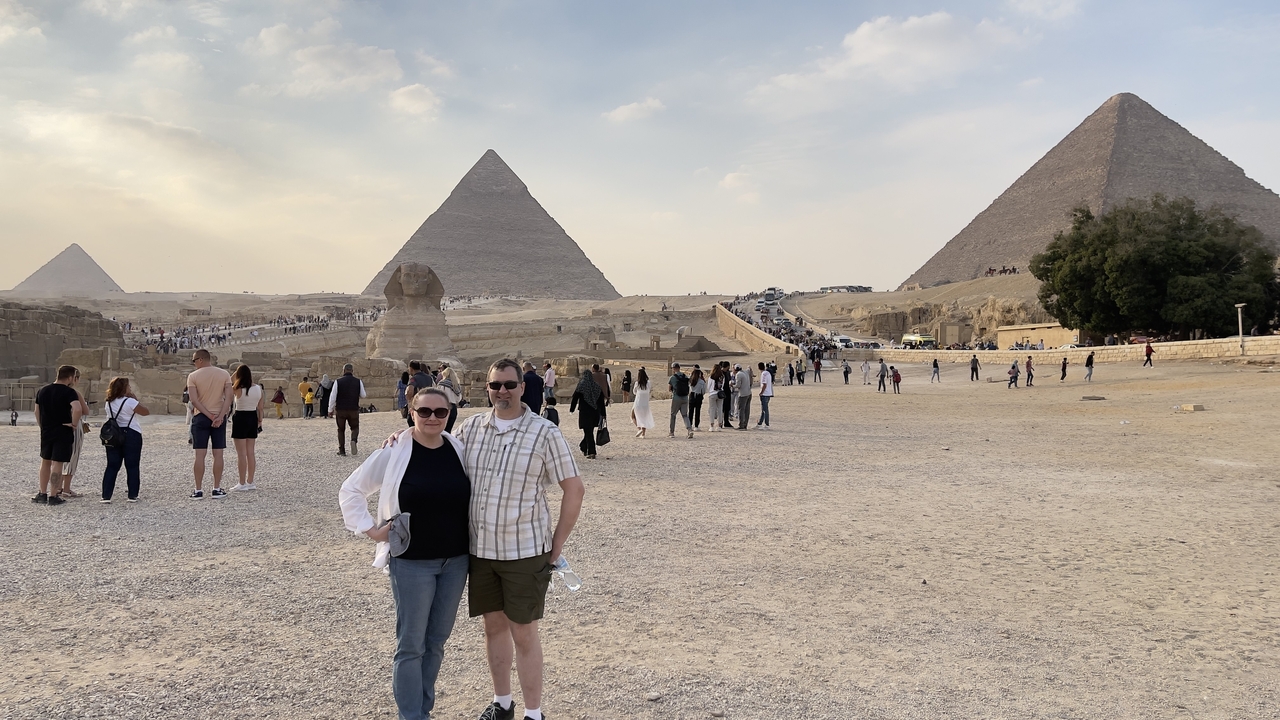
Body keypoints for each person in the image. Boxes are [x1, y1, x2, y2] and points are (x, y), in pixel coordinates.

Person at [454, 359, 584, 720]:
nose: (502, 391)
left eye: (509, 385)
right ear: (487, 388)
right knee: (492, 628)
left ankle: (534, 712)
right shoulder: (471, 429)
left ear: (523, 387)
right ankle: (503, 703)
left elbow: (574, 489)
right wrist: (402, 438)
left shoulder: (544, 433)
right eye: (495, 385)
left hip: (525, 551)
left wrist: (556, 546)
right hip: (481, 550)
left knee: (524, 633)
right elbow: (434, 452)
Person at [339, 387, 470, 720]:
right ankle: (411, 716)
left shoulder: (457, 447)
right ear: (411, 412)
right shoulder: (395, 450)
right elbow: (351, 489)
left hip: (455, 562)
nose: (432, 418)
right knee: (411, 644)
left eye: (440, 412)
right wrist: (370, 529)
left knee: (437, 641)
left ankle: (422, 710)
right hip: (412, 562)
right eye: (424, 411)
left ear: (449, 415)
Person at [32, 365, 83, 505]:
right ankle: (53, 496)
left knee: (45, 461)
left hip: (47, 430)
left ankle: (42, 493)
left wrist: (42, 426)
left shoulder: (42, 390)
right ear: (70, 377)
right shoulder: (69, 392)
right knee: (58, 463)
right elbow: (77, 409)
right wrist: (73, 424)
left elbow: (36, 411)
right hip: (62, 430)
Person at [188, 349, 233, 499]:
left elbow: (194, 400)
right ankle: (216, 488)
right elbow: (228, 398)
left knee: (199, 455)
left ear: (200, 360)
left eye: (194, 361)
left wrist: (208, 415)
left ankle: (198, 489)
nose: (193, 364)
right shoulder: (224, 374)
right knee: (218, 454)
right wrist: (219, 416)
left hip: (201, 416)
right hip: (219, 417)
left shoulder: (193, 376)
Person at [100, 376, 148, 503]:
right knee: (132, 465)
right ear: (124, 388)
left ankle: (106, 495)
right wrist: (134, 398)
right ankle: (132, 495)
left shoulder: (108, 403)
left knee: (112, 465)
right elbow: (145, 412)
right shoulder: (130, 402)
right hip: (131, 433)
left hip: (114, 434)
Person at [230, 364, 264, 492]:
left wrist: (236, 372)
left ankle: (242, 482)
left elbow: (228, 381)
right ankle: (250, 481)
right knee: (250, 452)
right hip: (252, 417)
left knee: (241, 454)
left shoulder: (238, 388)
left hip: (241, 417)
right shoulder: (258, 388)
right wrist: (260, 421)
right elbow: (260, 408)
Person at [59, 370, 91, 499]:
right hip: (74, 425)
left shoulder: (53, 391)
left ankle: (57, 488)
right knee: (72, 458)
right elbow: (85, 410)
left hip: (58, 426)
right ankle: (66, 489)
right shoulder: (74, 393)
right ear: (74, 379)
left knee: (58, 459)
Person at [331, 363, 367, 456]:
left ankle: (342, 450)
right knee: (355, 427)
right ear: (352, 371)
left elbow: (333, 397)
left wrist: (329, 409)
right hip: (353, 409)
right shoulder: (358, 381)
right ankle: (353, 440)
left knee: (341, 429)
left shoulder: (338, 381)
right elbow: (363, 395)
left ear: (343, 371)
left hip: (341, 409)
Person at [569, 369, 604, 459]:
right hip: (595, 412)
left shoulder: (581, 385)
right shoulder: (597, 386)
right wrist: (603, 413)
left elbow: (575, 398)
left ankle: (592, 451)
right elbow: (601, 401)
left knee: (588, 432)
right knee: (589, 431)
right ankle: (584, 447)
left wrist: (572, 409)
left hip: (585, 412)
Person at [668, 363, 693, 439]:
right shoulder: (685, 376)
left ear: (674, 369)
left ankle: (671, 432)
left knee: (673, 415)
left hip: (676, 398)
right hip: (685, 398)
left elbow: (669, 389)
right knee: (685, 415)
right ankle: (689, 430)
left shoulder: (672, 378)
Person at [631, 368, 654, 438]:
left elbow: (634, 392)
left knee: (633, 416)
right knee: (644, 418)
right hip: (645, 403)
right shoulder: (648, 383)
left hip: (638, 403)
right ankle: (643, 434)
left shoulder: (637, 383)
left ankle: (639, 429)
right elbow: (649, 390)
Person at [705, 366, 724, 431]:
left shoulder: (711, 377)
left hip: (712, 394)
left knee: (712, 410)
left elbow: (708, 387)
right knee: (720, 409)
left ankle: (711, 425)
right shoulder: (722, 377)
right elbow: (722, 386)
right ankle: (719, 425)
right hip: (720, 394)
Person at [734, 363, 752, 431]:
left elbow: (738, 385)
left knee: (741, 410)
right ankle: (745, 424)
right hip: (749, 393)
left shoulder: (738, 374)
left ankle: (741, 425)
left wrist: (732, 385)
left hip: (743, 394)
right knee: (747, 410)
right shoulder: (745, 372)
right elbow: (749, 369)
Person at [756, 362, 773, 429]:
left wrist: (761, 392)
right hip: (768, 393)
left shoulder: (763, 374)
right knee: (763, 409)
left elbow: (764, 384)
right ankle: (760, 423)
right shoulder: (768, 373)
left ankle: (767, 424)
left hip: (765, 394)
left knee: (765, 410)